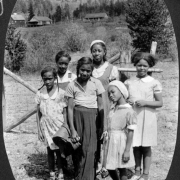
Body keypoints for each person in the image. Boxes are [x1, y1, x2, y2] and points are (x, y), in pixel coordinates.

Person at [124, 52, 163, 180]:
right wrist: (128, 101)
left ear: (149, 67)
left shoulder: (153, 82)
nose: (142, 68)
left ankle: (145, 174)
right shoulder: (129, 82)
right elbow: (124, 98)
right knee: (136, 145)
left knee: (146, 146)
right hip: (134, 116)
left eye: (145, 66)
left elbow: (159, 103)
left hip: (148, 117)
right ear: (135, 65)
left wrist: (145, 102)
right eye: (139, 65)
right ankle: (137, 171)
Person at [65, 57, 105, 180]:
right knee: (78, 149)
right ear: (78, 69)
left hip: (92, 119)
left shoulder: (96, 83)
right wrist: (72, 129)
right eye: (82, 70)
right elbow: (70, 109)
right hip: (77, 119)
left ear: (91, 71)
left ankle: (89, 177)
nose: (85, 73)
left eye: (88, 71)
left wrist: (102, 126)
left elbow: (101, 106)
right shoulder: (72, 85)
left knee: (91, 149)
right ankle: (78, 175)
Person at [90, 40, 120, 177]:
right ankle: (94, 163)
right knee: (93, 134)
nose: (96, 53)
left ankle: (106, 165)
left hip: (106, 105)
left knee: (106, 134)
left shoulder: (111, 69)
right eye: (94, 50)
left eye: (99, 51)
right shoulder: (88, 67)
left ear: (104, 52)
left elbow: (115, 88)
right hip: (90, 105)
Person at [35, 66, 67, 180]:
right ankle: (51, 171)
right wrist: (39, 129)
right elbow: (38, 113)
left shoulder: (61, 93)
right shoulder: (40, 93)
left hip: (58, 125)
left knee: (59, 150)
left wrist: (66, 126)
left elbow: (65, 111)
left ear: (55, 78)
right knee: (49, 150)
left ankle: (61, 171)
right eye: (45, 79)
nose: (47, 81)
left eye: (50, 78)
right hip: (46, 126)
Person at [102, 80, 137, 180]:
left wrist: (127, 150)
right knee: (109, 166)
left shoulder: (129, 111)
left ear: (121, 91)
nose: (110, 95)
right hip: (110, 140)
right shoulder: (113, 108)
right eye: (109, 93)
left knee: (122, 168)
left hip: (120, 141)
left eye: (113, 92)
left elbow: (131, 131)